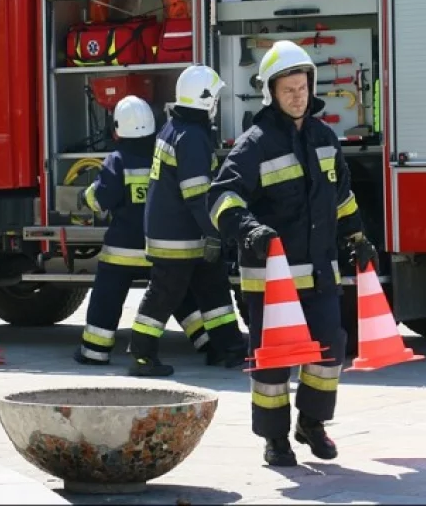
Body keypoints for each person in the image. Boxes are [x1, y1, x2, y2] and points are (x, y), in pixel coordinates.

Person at [207, 40, 377, 467]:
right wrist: (249, 229)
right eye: (289, 89)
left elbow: (341, 197)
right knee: (272, 364)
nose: (298, 95)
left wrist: (357, 236)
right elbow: (222, 197)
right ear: (271, 92)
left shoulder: (324, 138)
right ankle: (275, 440)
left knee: (329, 351)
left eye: (302, 87)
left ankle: (311, 424)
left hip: (320, 273)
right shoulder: (254, 144)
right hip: (272, 280)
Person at [74, 95, 218, 366]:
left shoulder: (116, 160)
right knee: (175, 294)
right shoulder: (161, 155)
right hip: (160, 245)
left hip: (121, 253)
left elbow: (101, 199)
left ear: (116, 129)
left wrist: (85, 196)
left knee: (107, 297)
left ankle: (94, 350)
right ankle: (204, 339)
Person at [127, 65, 247, 376]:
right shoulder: (191, 137)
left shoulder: (176, 128)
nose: (218, 105)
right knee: (164, 294)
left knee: (213, 289)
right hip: (178, 236)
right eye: (215, 98)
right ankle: (142, 355)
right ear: (205, 100)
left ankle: (228, 349)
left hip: (179, 232)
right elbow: (197, 195)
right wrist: (218, 232)